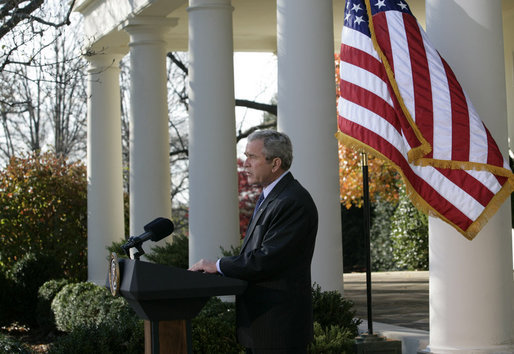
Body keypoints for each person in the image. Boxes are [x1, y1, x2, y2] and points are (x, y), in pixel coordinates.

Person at [189, 130, 318, 353]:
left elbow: (266, 260)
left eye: (252, 157)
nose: (245, 164)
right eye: (246, 156)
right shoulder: (271, 197)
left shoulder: (292, 201)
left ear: (275, 163)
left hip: (278, 328)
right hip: (261, 325)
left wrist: (218, 265)